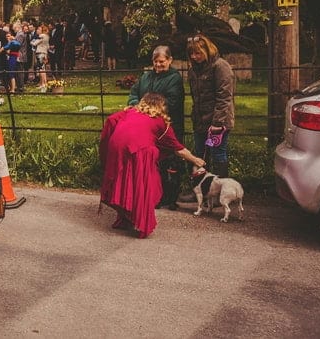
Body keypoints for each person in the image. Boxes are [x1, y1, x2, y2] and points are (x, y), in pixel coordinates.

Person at [99, 93, 204, 238]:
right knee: (145, 185)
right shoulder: (160, 122)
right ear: (161, 107)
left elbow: (111, 120)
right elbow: (178, 148)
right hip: (139, 150)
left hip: (117, 146)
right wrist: (196, 160)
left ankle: (125, 217)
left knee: (125, 182)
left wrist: (110, 144)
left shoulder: (129, 112)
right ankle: (142, 224)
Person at [127, 45, 185, 208]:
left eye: (162, 61)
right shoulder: (146, 77)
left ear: (170, 60)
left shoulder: (174, 78)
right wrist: (136, 104)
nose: (158, 65)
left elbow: (172, 101)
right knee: (154, 161)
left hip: (168, 125)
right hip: (148, 128)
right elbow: (134, 93)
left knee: (171, 160)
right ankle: (155, 195)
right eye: (155, 61)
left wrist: (148, 110)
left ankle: (171, 197)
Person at [186, 34, 235, 177]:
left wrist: (217, 123)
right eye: (191, 54)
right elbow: (196, 97)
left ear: (207, 50)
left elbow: (224, 96)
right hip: (200, 120)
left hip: (217, 121)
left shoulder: (220, 66)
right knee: (200, 154)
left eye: (197, 53)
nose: (194, 57)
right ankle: (202, 186)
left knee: (217, 154)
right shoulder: (193, 70)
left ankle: (220, 186)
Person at [31, 24, 50, 92]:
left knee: (41, 69)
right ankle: (43, 83)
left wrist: (32, 41)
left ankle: (44, 84)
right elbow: (48, 47)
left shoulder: (41, 36)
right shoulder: (47, 37)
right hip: (44, 53)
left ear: (42, 30)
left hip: (40, 53)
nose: (37, 30)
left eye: (39, 29)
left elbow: (33, 43)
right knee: (43, 69)